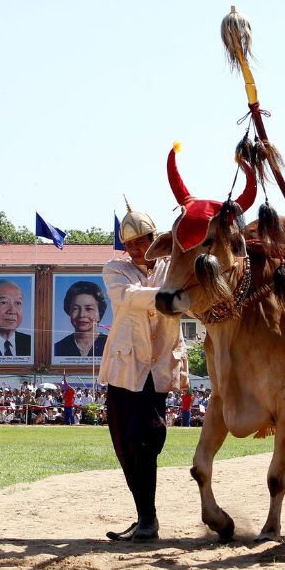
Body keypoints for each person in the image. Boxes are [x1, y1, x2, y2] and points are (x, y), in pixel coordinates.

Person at [99, 200, 188, 542]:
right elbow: (129, 298)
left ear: (157, 238)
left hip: (159, 365)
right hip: (126, 366)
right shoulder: (115, 269)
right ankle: (144, 516)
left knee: (147, 436)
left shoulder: (172, 265)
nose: (138, 249)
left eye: (143, 240)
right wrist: (174, 296)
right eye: (131, 243)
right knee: (125, 443)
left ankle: (148, 519)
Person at [54, 281, 109, 357]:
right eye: (75, 308)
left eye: (89, 309)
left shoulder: (112, 346)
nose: (82, 315)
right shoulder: (57, 349)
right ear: (69, 311)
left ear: (100, 312)